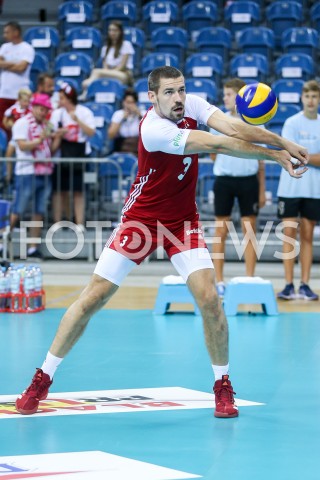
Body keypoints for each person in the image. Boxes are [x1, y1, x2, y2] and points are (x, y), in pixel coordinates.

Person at [15, 66, 308, 419]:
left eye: (181, 90)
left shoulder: (193, 105)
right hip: (141, 221)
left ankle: (222, 384)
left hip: (183, 223)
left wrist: (283, 141)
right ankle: (43, 377)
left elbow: (231, 126)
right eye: (169, 92)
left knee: (210, 300)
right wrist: (276, 154)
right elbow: (217, 143)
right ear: (152, 97)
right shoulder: (153, 129)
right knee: (93, 297)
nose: (179, 98)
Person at [210, 78, 266, 298]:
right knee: (220, 231)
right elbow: (213, 153)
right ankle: (219, 281)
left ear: (240, 97)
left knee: (249, 231)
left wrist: (261, 190)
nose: (225, 98)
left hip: (248, 181)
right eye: (224, 94)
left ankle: (249, 279)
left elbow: (261, 160)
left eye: (229, 94)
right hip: (224, 181)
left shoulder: (256, 122)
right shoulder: (218, 121)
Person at [277, 79, 320, 301]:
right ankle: (287, 285)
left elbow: (300, 155)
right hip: (290, 187)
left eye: (314, 96)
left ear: (318, 99)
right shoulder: (291, 123)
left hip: (314, 190)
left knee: (307, 237)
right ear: (302, 98)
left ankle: (304, 285)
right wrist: (310, 157)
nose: (311, 100)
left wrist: (304, 156)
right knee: (289, 236)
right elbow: (291, 155)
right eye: (307, 96)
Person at [10, 93, 56, 260]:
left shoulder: (45, 125)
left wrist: (54, 136)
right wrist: (40, 139)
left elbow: (49, 148)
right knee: (18, 208)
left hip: (44, 172)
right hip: (26, 172)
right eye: (41, 109)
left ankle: (32, 248)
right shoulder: (22, 123)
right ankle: (2, 242)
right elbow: (22, 146)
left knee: (39, 211)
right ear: (34, 107)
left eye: (46, 110)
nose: (43, 112)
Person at [50, 82, 96, 229]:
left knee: (78, 191)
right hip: (61, 154)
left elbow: (91, 132)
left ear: (69, 98)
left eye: (62, 98)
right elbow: (50, 132)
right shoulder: (57, 113)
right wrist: (59, 133)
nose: (59, 101)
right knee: (59, 191)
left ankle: (79, 223)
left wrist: (78, 121)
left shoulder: (84, 112)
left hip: (79, 154)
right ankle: (58, 222)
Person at [81, 20, 134, 97]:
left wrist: (108, 72)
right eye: (110, 30)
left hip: (123, 74)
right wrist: (107, 73)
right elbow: (105, 67)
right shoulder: (105, 48)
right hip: (108, 74)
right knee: (98, 73)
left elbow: (122, 66)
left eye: (115, 30)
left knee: (96, 72)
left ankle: (87, 89)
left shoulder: (126, 45)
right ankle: (88, 89)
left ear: (120, 32)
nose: (112, 33)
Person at [0, 21, 35, 134]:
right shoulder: (4, 47)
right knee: (3, 125)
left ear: (16, 32)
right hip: (4, 93)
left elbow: (21, 68)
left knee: (20, 125)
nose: (4, 35)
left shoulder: (27, 48)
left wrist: (5, 65)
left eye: (7, 32)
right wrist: (14, 63)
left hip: (20, 95)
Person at [108, 88, 142, 155]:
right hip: (121, 146)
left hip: (137, 147)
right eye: (127, 102)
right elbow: (110, 135)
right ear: (123, 102)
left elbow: (147, 133)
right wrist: (122, 119)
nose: (129, 105)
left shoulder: (142, 114)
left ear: (136, 103)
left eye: (132, 103)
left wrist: (139, 115)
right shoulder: (118, 114)